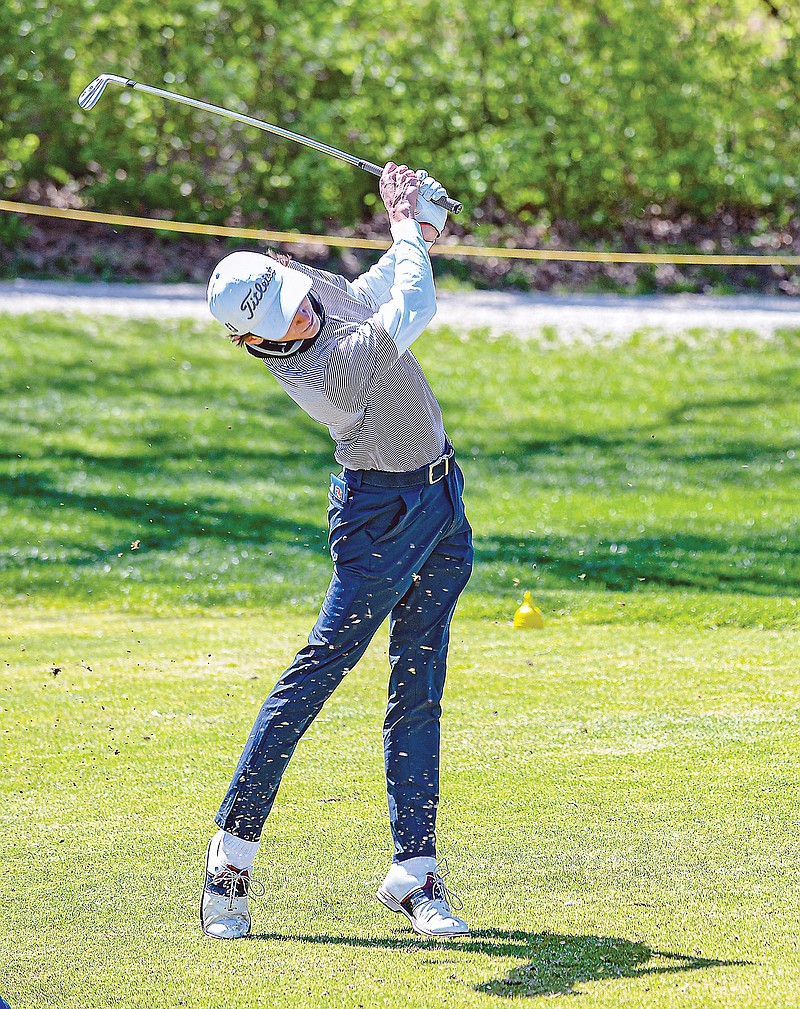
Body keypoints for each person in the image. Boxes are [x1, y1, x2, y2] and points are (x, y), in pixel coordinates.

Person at [201, 163, 473, 940]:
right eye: (278, 326)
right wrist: (400, 225)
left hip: (444, 499)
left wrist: (419, 224)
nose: (299, 321)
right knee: (315, 676)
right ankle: (228, 862)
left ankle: (414, 873)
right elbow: (411, 302)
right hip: (379, 517)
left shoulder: (309, 294)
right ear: (245, 340)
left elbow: (382, 281)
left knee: (418, 680)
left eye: (294, 303)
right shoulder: (328, 369)